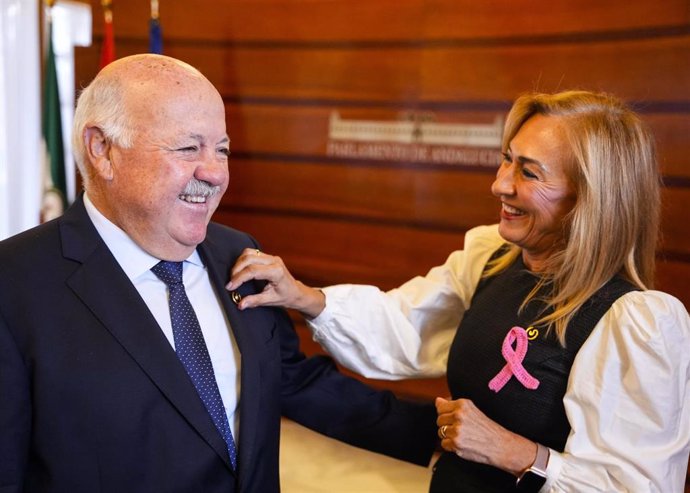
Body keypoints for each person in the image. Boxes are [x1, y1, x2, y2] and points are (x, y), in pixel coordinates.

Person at [0, 54, 438, 493]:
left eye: (222, 149)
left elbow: (290, 380)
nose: (214, 173)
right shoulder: (14, 285)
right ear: (103, 149)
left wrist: (442, 433)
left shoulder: (236, 252)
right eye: (188, 148)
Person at [229, 90, 690, 492]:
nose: (500, 184)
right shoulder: (490, 257)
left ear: (590, 198)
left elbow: (636, 487)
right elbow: (407, 324)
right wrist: (305, 296)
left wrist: (520, 454)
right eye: (507, 159)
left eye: (529, 173)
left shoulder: (638, 321)